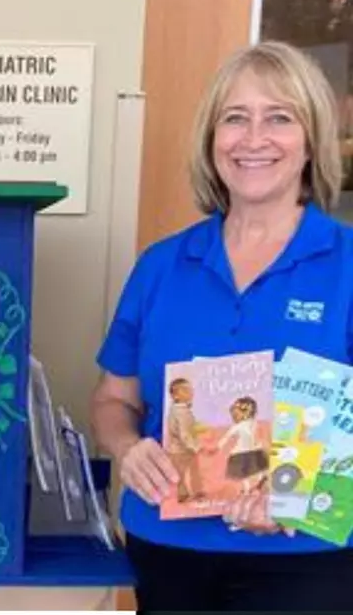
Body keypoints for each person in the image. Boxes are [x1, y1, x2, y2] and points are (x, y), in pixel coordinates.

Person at [91, 40, 353, 611]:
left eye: (278, 118)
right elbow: (114, 399)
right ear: (213, 142)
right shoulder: (161, 265)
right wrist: (128, 447)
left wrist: (294, 496)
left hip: (309, 561)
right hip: (168, 551)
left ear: (310, 141)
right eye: (235, 118)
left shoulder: (347, 264)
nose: (254, 138)